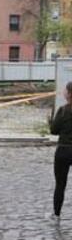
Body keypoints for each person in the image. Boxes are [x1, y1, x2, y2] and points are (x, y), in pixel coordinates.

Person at [49, 81, 72, 221]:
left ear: (69, 94)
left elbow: (54, 131)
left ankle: (57, 214)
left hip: (63, 150)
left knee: (60, 184)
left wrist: (50, 121)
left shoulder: (63, 110)